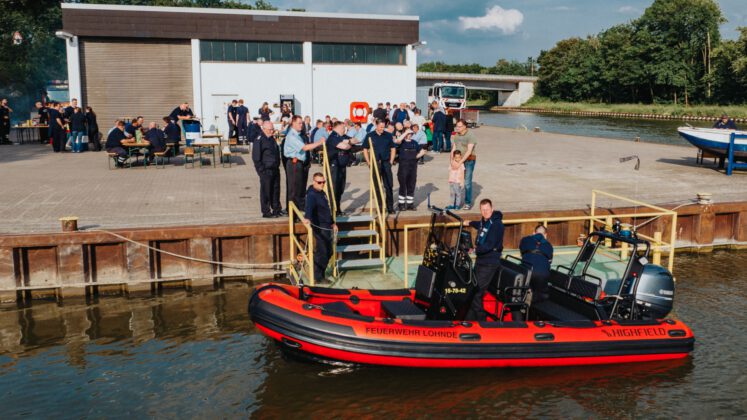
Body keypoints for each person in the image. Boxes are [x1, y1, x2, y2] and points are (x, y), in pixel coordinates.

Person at [463, 199, 505, 321]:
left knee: (477, 293)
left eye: (487, 209)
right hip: (481, 261)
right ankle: (468, 319)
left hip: (489, 263)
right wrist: (470, 222)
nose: (485, 212)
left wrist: (474, 250)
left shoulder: (497, 225)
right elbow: (479, 225)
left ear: (492, 209)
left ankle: (482, 320)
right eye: (483, 210)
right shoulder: (484, 221)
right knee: (472, 290)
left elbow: (489, 245)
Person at [304, 172, 338, 284]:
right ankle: (318, 277)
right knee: (323, 251)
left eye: (323, 182)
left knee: (329, 251)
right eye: (319, 182)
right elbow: (309, 207)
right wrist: (307, 217)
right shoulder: (312, 195)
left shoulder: (322, 193)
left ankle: (318, 272)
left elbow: (327, 210)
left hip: (327, 226)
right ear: (314, 182)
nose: (322, 184)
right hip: (319, 227)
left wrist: (333, 223)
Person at [284, 115, 323, 209]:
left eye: (302, 123)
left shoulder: (298, 135)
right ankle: (292, 213)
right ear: (293, 123)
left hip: (299, 163)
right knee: (294, 190)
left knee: (299, 188)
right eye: (299, 123)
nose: (301, 125)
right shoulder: (292, 136)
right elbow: (305, 147)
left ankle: (299, 208)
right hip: (294, 163)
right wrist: (319, 142)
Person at [363, 119, 396, 214]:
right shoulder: (370, 135)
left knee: (389, 185)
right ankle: (380, 207)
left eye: (383, 127)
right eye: (381, 127)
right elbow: (365, 149)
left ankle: (390, 207)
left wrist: (391, 161)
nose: (382, 128)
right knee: (377, 186)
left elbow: (393, 148)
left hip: (386, 163)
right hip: (375, 163)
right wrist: (368, 162)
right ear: (376, 126)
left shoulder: (388, 135)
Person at [253, 121, 283, 218]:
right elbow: (256, 157)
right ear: (264, 129)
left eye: (272, 129)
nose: (272, 131)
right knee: (266, 191)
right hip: (266, 170)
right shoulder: (259, 139)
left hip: (275, 169)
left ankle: (276, 209)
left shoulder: (271, 139)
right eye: (270, 129)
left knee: (276, 190)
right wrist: (261, 171)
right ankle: (266, 211)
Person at [326, 121, 356, 215]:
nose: (345, 130)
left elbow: (355, 140)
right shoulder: (333, 137)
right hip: (334, 166)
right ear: (338, 128)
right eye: (343, 128)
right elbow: (344, 146)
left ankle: (338, 210)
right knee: (334, 189)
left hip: (342, 166)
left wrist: (348, 142)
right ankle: (333, 210)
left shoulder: (342, 136)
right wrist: (348, 143)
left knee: (340, 189)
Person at [520, 225, 554, 303]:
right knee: (541, 293)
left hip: (527, 272)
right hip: (542, 274)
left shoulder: (525, 240)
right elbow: (549, 261)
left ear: (533, 233)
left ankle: (527, 297)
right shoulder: (549, 246)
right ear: (545, 235)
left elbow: (522, 255)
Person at [395, 128, 426, 211]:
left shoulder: (414, 143)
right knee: (403, 186)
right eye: (408, 133)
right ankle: (401, 204)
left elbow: (423, 151)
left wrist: (415, 157)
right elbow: (397, 141)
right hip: (403, 167)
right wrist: (405, 132)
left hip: (413, 167)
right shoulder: (402, 142)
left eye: (410, 133)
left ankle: (410, 204)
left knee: (411, 185)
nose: (410, 135)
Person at [451, 119, 478, 210]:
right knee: (455, 181)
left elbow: (469, 151)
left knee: (467, 183)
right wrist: (452, 161)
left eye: (459, 126)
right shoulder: (456, 135)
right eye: (456, 126)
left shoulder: (470, 135)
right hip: (458, 160)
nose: (457, 128)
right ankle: (456, 202)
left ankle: (467, 202)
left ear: (464, 126)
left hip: (469, 161)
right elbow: (453, 149)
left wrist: (460, 162)